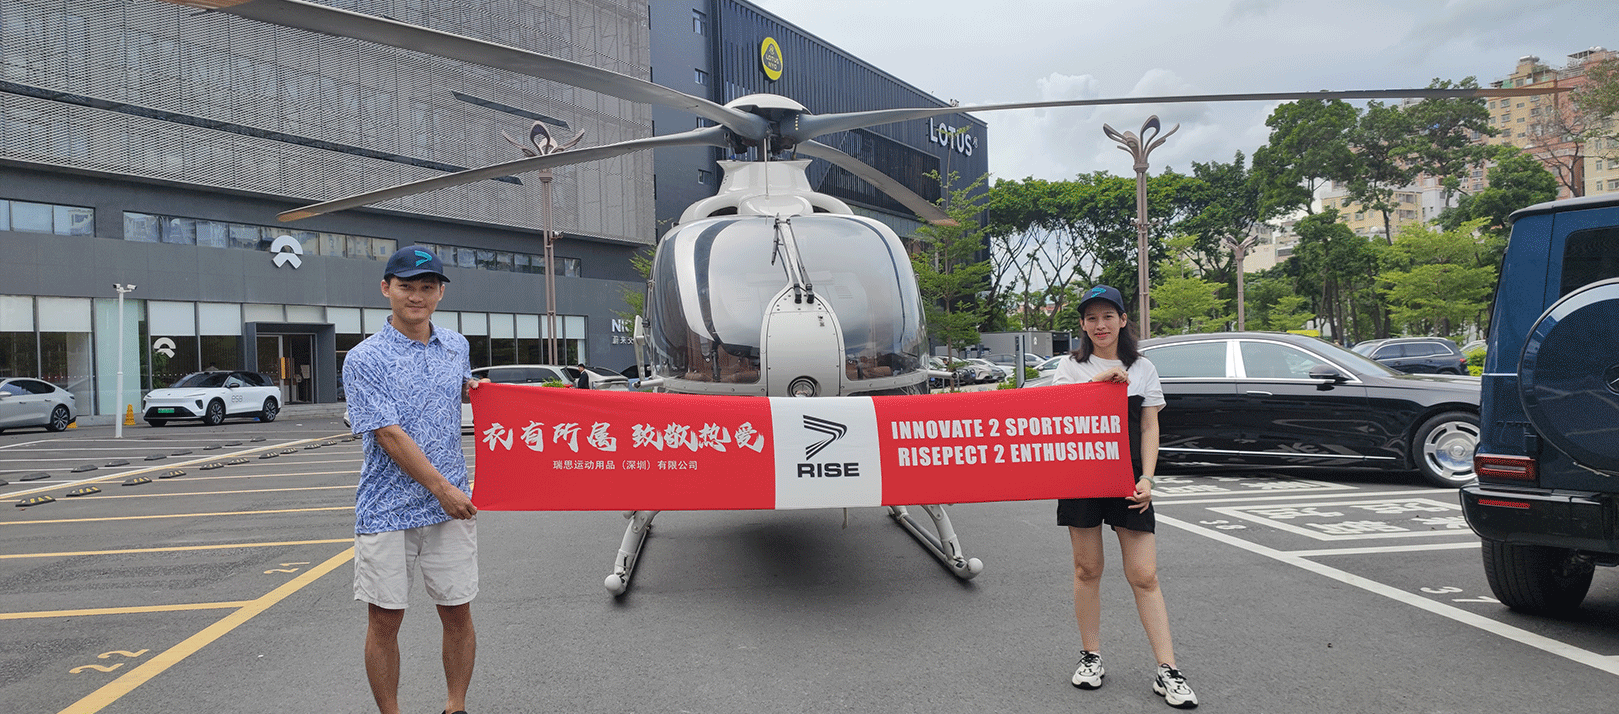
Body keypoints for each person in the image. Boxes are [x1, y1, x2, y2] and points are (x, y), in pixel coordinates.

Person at [343, 246, 482, 714]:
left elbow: (472, 397)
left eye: (427, 287)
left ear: (440, 293)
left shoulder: (457, 347)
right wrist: (443, 489)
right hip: (388, 510)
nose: (416, 296)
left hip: (451, 508)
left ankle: (455, 706)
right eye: (406, 286)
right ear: (386, 289)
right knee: (384, 621)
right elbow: (388, 433)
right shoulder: (365, 358)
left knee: (458, 613)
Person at [1051, 285, 1198, 709]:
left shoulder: (1144, 368)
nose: (1100, 325)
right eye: (1091, 318)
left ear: (1122, 320)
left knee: (1144, 575)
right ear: (1082, 324)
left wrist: (1148, 478)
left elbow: (1150, 426)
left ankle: (1167, 669)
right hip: (1080, 477)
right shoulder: (1070, 366)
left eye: (1108, 316)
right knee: (1087, 569)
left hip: (1128, 480)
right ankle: (1091, 655)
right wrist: (1099, 382)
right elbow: (1059, 415)